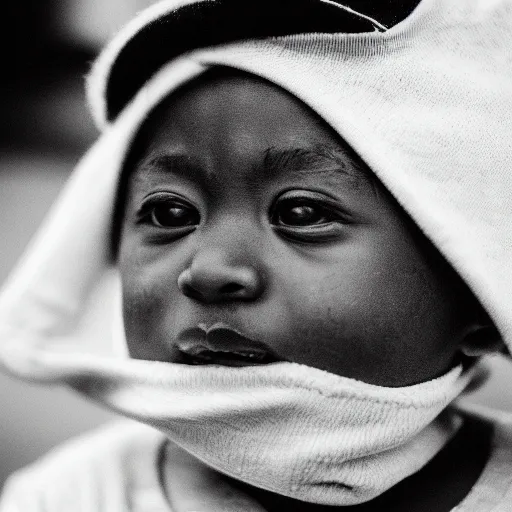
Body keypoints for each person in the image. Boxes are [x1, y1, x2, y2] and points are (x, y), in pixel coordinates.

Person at [1, 0, 511, 510]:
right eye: (170, 214)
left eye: (303, 212)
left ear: (480, 288)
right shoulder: (67, 496)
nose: (208, 271)